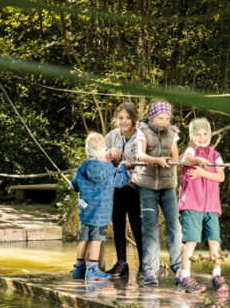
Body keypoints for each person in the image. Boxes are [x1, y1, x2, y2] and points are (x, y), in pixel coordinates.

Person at [132, 100, 183, 286]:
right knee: (150, 226)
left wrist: (173, 175)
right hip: (147, 186)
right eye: (161, 117)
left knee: (175, 226)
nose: (164, 121)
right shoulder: (143, 130)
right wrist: (155, 160)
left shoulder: (173, 133)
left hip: (168, 186)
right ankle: (150, 269)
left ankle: (179, 267)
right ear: (152, 116)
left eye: (167, 118)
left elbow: (176, 157)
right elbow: (140, 155)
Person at [176, 118, 228, 294]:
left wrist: (203, 172)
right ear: (192, 137)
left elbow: (220, 177)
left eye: (205, 133)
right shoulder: (191, 150)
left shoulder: (216, 155)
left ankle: (217, 275)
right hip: (192, 205)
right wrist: (198, 161)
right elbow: (187, 159)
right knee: (191, 241)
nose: (202, 137)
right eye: (197, 134)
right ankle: (185, 275)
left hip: (211, 207)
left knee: (214, 242)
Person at [71, 132, 130, 281]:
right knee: (96, 240)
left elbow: (74, 185)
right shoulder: (109, 169)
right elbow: (120, 181)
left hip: (85, 212)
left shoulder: (83, 166)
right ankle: (92, 270)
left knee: (84, 239)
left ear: (87, 151)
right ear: (103, 149)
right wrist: (123, 168)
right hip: (101, 214)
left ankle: (78, 269)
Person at [104, 102, 144, 278]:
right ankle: (122, 262)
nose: (124, 121)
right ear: (116, 120)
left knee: (136, 224)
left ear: (134, 119)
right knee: (118, 224)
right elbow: (101, 157)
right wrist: (111, 155)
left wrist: (128, 163)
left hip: (134, 186)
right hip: (115, 187)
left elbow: (143, 159)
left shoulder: (141, 137)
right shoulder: (111, 136)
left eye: (128, 118)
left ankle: (144, 264)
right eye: (121, 118)